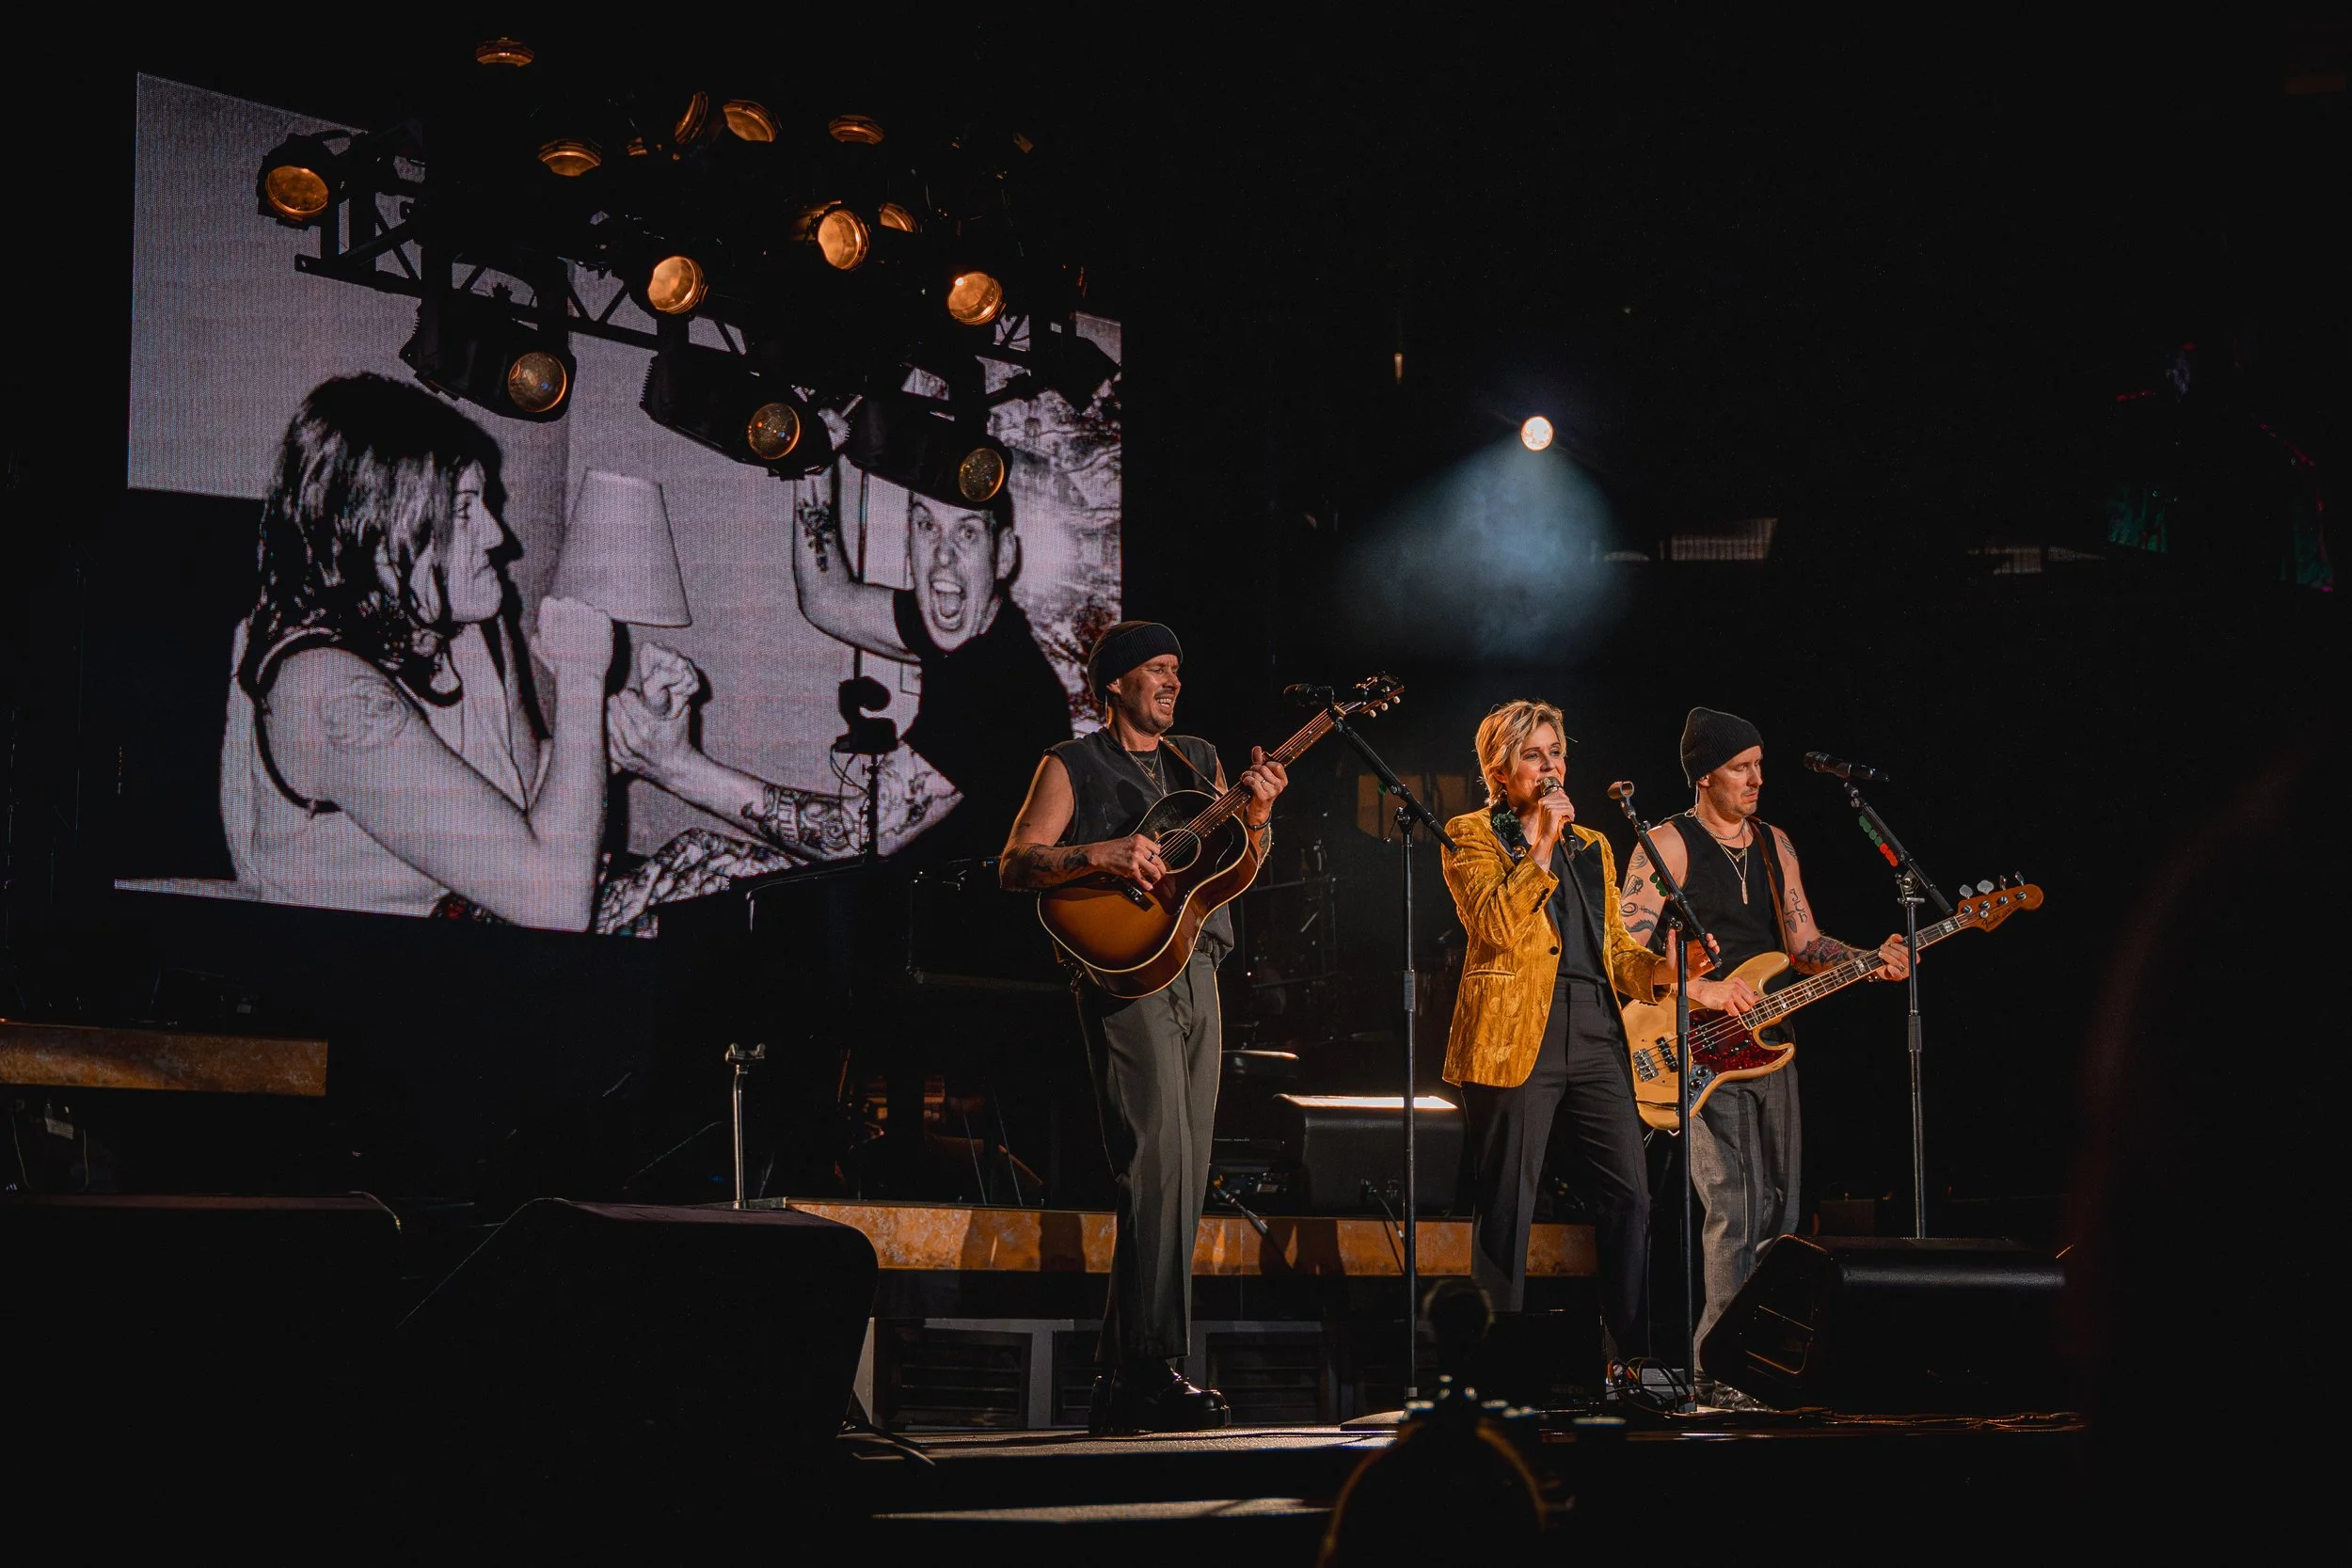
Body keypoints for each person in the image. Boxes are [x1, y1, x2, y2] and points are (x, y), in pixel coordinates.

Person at [997, 621, 1287, 1433]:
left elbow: (1234, 866)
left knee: (1187, 1168)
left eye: (1177, 670)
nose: (1173, 681)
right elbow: (1016, 863)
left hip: (1198, 964)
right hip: (1124, 973)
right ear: (1116, 682)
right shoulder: (1072, 763)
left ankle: (1125, 1376)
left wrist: (1258, 818)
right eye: (1156, 669)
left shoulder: (1197, 756)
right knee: (1155, 1159)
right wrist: (1105, 854)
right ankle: (1151, 1366)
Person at [219, 374, 617, 929]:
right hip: (371, 986)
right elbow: (554, 904)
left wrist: (612, 736)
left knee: (720, 880)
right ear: (376, 531)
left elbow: (526, 797)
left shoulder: (468, 631)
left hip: (481, 949)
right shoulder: (327, 690)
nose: (498, 535)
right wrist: (579, 681)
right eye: (463, 510)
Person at [1618, 706, 1910, 1345]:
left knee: (1778, 1209)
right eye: (1740, 768)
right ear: (1704, 776)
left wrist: (1868, 961)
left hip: (1771, 1042)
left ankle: (1763, 1357)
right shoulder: (1666, 844)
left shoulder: (1775, 844)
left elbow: (1803, 943)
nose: (1756, 779)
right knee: (1733, 1208)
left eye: (1759, 766)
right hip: (1693, 1043)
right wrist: (1703, 988)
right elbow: (1625, 954)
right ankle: (1718, 1368)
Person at [1438, 700, 1683, 1377]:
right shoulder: (1471, 833)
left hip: (1595, 1026)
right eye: (1535, 755)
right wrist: (1541, 842)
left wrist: (1665, 966)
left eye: (1557, 753)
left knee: (1629, 1194)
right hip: (1516, 1030)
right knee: (1508, 1200)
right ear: (1500, 769)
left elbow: (1614, 951)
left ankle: (1628, 1360)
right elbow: (1495, 923)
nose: (1552, 768)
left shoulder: (1594, 845)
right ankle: (1487, 1367)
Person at [789, 481, 1073, 860]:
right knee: (694, 854)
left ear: (1003, 555)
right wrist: (812, 468)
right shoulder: (976, 623)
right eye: (927, 527)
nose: (943, 556)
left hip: (967, 911)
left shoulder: (1000, 688)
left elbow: (850, 834)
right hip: (915, 885)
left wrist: (682, 767)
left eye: (967, 533)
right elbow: (827, 599)